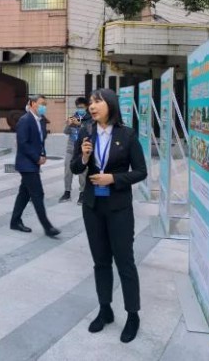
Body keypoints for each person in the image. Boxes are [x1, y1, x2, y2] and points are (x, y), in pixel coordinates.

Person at [70, 88, 147, 344]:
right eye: (90, 102)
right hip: (92, 207)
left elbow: (141, 171)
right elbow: (74, 167)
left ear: (110, 104)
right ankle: (105, 310)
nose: (91, 106)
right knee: (100, 261)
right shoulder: (86, 131)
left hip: (119, 208)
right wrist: (84, 157)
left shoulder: (127, 134)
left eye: (97, 102)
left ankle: (133, 315)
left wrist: (113, 178)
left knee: (125, 262)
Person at [9, 95, 60, 237]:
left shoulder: (41, 120)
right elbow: (23, 143)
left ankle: (15, 221)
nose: (44, 107)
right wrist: (36, 158)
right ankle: (47, 227)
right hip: (26, 164)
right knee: (38, 194)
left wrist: (43, 154)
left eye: (45, 104)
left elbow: (41, 141)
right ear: (32, 104)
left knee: (24, 193)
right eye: (41, 103)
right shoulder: (24, 120)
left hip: (34, 162)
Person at [61, 96, 91, 204]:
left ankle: (82, 193)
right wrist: (68, 124)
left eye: (82, 107)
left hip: (82, 150)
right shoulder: (73, 117)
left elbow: (90, 131)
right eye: (78, 107)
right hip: (71, 149)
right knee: (67, 171)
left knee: (83, 172)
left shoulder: (89, 119)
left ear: (86, 107)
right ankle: (67, 192)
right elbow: (66, 132)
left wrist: (80, 124)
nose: (80, 109)